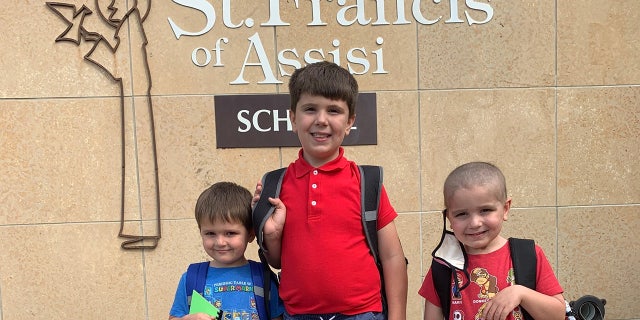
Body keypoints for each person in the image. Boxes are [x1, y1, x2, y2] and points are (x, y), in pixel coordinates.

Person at [254, 61, 408, 320]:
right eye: (310, 109)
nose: (321, 120)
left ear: (349, 122)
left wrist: (398, 317)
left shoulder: (366, 182)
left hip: (362, 314)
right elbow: (278, 262)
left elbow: (393, 257)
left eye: (334, 111)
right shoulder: (275, 185)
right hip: (298, 315)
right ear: (293, 118)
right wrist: (272, 233)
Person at [419, 162, 566, 320]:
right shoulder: (444, 265)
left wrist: (520, 293)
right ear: (449, 218)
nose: (475, 223)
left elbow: (557, 314)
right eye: (461, 214)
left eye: (485, 210)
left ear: (505, 209)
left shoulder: (528, 255)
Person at [169, 182, 285, 320]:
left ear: (250, 234)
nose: (220, 242)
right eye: (210, 233)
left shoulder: (263, 277)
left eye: (230, 233)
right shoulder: (190, 278)